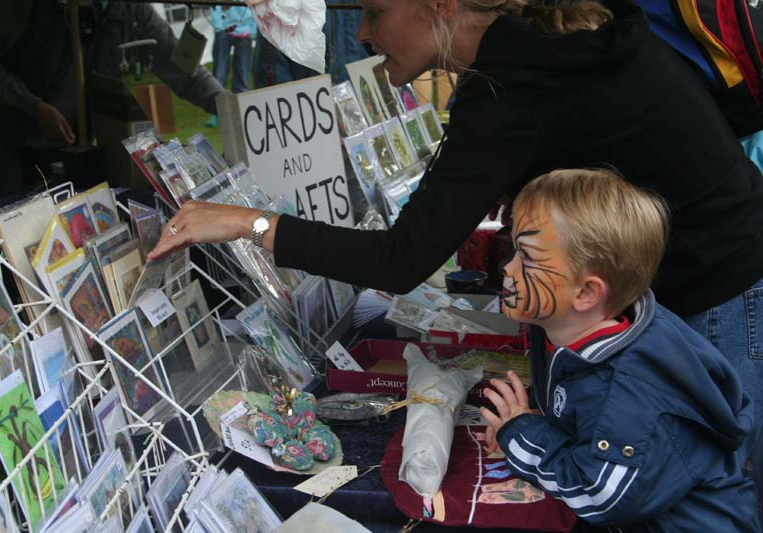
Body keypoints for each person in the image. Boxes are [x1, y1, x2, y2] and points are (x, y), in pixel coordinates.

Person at [149, 0, 763, 477]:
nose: (361, 34)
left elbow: (400, 258)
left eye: (376, 12)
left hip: (711, 290)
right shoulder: (542, 52)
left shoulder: (510, 86)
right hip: (717, 269)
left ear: (440, 5)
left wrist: (246, 222)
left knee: (705, 483)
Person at [478, 168, 758, 530]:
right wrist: (534, 420)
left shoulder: (627, 390)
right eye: (513, 248)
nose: (507, 267)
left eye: (527, 257)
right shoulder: (577, 334)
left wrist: (520, 435)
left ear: (586, 293)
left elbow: (600, 496)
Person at [0, 0, 226, 214]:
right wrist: (33, 106)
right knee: (1, 230)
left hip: (61, 148)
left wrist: (225, 105)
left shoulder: (130, 8)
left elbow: (179, 63)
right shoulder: (25, 5)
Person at [204, 5, 257, 128]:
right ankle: (216, 112)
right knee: (220, 73)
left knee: (242, 74)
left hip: (245, 33)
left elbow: (255, 6)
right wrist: (220, 27)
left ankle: (242, 111)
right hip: (223, 31)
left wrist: (252, 31)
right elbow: (214, 6)